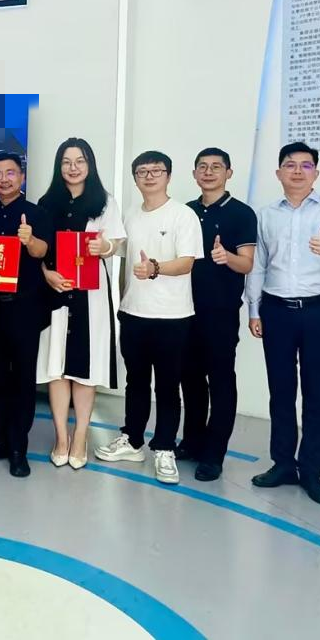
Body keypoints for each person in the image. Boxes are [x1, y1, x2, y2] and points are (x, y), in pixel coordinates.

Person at [246, 141, 320, 506]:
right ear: (278, 172)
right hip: (276, 310)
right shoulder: (265, 215)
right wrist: (254, 310)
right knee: (281, 390)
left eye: (306, 166)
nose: (297, 171)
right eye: (290, 165)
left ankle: (312, 470)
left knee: (317, 393)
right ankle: (282, 464)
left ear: (315, 173)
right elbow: (258, 265)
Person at [94, 151, 203, 485]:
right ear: (135, 178)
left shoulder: (183, 215)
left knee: (168, 386)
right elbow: (117, 248)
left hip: (173, 316)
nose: (149, 176)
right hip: (133, 313)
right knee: (136, 382)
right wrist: (101, 245)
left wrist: (154, 267)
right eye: (142, 171)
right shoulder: (130, 214)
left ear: (168, 176)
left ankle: (165, 447)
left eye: (156, 170)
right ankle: (133, 440)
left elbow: (187, 263)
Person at [36, 138, 124, 469]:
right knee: (57, 366)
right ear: (59, 166)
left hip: (91, 294)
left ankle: (81, 435)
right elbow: (39, 250)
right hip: (55, 291)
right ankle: (61, 437)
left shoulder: (105, 201)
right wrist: (46, 274)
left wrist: (105, 248)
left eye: (80, 161)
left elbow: (116, 242)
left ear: (90, 164)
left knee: (87, 369)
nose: (73, 168)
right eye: (66, 162)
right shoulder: (47, 203)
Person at [0, 153, 52, 478]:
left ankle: (19, 448)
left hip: (26, 310)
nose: (4, 179)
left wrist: (30, 240)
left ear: (22, 177)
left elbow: (44, 252)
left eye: (11, 173)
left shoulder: (37, 213)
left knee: (23, 381)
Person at [179, 148, 257, 481]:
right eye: (202, 167)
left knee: (221, 380)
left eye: (216, 167)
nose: (208, 172)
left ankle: (214, 453)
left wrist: (227, 257)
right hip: (184, 309)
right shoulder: (185, 212)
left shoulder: (242, 214)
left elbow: (247, 264)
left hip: (220, 312)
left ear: (229, 172)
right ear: (194, 173)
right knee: (190, 378)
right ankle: (192, 441)